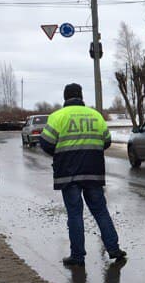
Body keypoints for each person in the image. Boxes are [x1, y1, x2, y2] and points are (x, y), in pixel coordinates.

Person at [40, 83, 126, 267]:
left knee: (75, 214)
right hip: (93, 172)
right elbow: (107, 142)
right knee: (100, 211)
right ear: (81, 96)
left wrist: (62, 154)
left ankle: (78, 256)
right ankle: (113, 248)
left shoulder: (57, 117)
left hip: (68, 174)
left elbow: (46, 143)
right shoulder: (95, 116)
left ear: (65, 98)